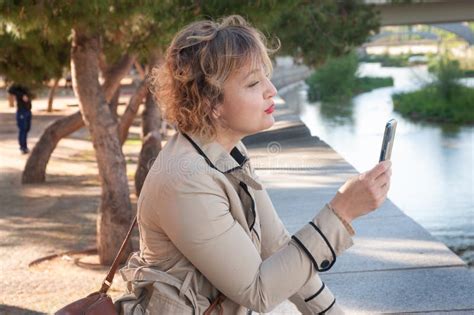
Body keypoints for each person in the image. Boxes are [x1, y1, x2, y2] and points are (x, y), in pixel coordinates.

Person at [116, 15, 392, 315]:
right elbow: (259, 292)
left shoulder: (227, 151)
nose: (271, 89)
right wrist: (342, 212)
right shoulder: (185, 179)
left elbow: (278, 248)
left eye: (266, 76)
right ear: (211, 103)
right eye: (252, 82)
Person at [7, 84, 32, 154]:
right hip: (22, 110)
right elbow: (10, 90)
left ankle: (25, 146)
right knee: (23, 129)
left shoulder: (27, 81)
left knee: (27, 128)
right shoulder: (18, 81)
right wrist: (21, 96)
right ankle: (23, 147)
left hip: (28, 109)